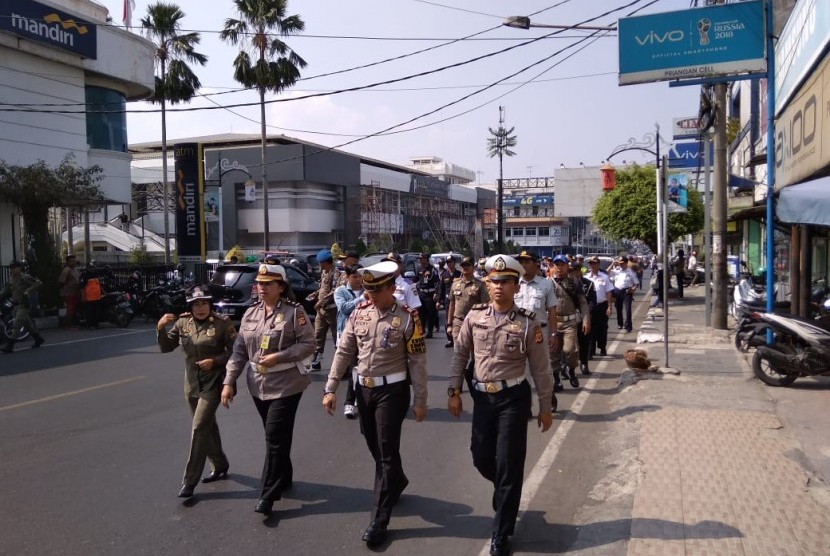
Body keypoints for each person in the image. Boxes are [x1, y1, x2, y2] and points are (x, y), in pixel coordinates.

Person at [447, 254, 553, 556]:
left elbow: (541, 368)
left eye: (506, 282)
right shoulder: (474, 317)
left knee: (508, 462)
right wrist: (454, 390)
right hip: (483, 397)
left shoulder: (527, 323)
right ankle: (506, 490)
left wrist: (545, 406)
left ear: (516, 286)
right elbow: (460, 356)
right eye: (494, 281)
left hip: (513, 399)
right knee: (481, 457)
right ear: (487, 283)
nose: (499, 287)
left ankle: (501, 532)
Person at [323, 261, 428, 548]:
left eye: (376, 290)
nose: (370, 294)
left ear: (392, 288)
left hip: (393, 391)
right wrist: (330, 387)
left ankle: (379, 520)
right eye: (367, 289)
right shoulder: (360, 313)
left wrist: (420, 399)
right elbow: (344, 350)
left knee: (384, 451)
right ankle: (397, 479)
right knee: (373, 443)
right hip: (363, 390)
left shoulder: (408, 318)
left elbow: (417, 362)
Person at [221, 264, 315, 515]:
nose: (261, 288)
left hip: (287, 383)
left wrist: (280, 356)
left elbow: (309, 344)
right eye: (260, 283)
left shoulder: (295, 313)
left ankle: (268, 495)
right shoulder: (250, 313)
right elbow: (239, 350)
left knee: (274, 437)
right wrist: (229, 381)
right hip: (258, 385)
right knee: (276, 435)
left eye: (268, 284)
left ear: (281, 287)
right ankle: (284, 476)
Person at [156, 286, 237, 498]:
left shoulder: (222, 323)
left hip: (214, 383)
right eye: (196, 304)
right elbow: (167, 347)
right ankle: (220, 464)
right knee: (207, 427)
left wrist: (216, 361)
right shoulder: (183, 323)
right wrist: (161, 328)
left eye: (204, 303)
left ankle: (189, 481)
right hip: (191, 385)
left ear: (210, 304)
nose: (200, 308)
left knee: (199, 427)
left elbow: (236, 351)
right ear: (190, 307)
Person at [514, 250, 560, 398]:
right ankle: (526, 403)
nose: (523, 265)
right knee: (520, 370)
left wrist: (554, 334)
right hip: (518, 332)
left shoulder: (545, 284)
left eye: (527, 262)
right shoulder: (513, 283)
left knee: (542, 369)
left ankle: (548, 395)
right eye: (521, 262)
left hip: (540, 332)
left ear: (536, 264)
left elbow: (552, 311)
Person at [446, 256, 490, 390]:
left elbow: (485, 305)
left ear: (473, 267)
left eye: (468, 265)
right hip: (458, 322)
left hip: (475, 323)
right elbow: (452, 305)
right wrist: (449, 324)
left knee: (475, 354)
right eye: (463, 265)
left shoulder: (480, 285)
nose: (465, 268)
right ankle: (457, 384)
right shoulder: (455, 284)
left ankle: (476, 378)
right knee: (458, 354)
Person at [549, 255, 590, 389]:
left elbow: (583, 302)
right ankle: (556, 380)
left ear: (567, 266)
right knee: (553, 354)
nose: (559, 267)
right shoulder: (547, 283)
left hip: (569, 322)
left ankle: (571, 370)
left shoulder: (574, 282)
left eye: (562, 264)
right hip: (553, 323)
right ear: (553, 267)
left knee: (570, 350)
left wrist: (586, 319)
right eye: (557, 265)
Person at [333, 264, 364, 419]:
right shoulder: (341, 291)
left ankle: (358, 396)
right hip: (348, 335)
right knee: (353, 369)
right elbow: (344, 308)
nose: (358, 279)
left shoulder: (367, 290)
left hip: (365, 335)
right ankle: (349, 402)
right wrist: (361, 299)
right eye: (354, 276)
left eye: (360, 276)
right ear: (347, 277)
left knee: (362, 368)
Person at [1, 261, 45, 353]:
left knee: (17, 324)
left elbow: (38, 283)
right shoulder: (11, 279)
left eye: (14, 267)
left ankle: (10, 345)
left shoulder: (25, 277)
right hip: (15, 306)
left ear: (19, 268)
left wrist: (28, 290)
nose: (12, 269)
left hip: (23, 305)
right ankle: (38, 339)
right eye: (11, 268)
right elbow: (5, 291)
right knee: (28, 325)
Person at [308, 249, 341, 371]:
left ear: (326, 262)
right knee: (317, 335)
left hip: (331, 310)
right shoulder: (323, 273)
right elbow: (322, 288)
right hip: (321, 311)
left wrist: (321, 302)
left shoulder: (336, 273)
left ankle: (340, 364)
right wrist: (315, 294)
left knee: (336, 337)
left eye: (321, 263)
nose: (319, 265)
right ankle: (316, 362)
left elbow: (335, 290)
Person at [570, 262, 596, 375]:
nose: (573, 272)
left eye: (575, 270)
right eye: (571, 270)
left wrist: (586, 314)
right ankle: (567, 366)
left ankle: (584, 363)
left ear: (580, 270)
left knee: (583, 341)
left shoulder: (588, 284)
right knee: (567, 345)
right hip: (568, 318)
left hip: (583, 317)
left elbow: (591, 301)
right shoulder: (564, 284)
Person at [585, 256, 614, 357]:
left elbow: (609, 292)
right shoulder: (586, 278)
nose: (592, 265)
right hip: (590, 306)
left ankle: (602, 347)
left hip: (602, 305)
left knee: (602, 328)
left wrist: (609, 306)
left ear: (598, 264)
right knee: (590, 328)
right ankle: (590, 350)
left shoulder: (604, 277)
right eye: (590, 263)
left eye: (594, 263)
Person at [609, 256, 639, 332]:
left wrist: (633, 289)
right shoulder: (617, 270)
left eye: (622, 263)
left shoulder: (631, 272)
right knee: (618, 308)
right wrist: (613, 264)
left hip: (627, 291)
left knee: (628, 309)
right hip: (617, 291)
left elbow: (636, 283)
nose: (621, 265)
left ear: (626, 263)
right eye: (620, 264)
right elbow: (607, 272)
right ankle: (620, 324)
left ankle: (628, 326)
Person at [415, 252, 440, 338]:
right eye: (419, 259)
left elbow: (437, 282)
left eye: (422, 259)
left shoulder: (433, 269)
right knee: (421, 314)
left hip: (430, 294)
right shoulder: (419, 269)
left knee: (430, 314)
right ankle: (422, 330)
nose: (420, 261)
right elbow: (415, 279)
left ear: (426, 259)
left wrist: (436, 293)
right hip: (421, 294)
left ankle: (430, 331)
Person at [58, 254, 81, 327]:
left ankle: (75, 322)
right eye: (71, 261)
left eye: (74, 261)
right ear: (67, 262)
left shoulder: (75, 270)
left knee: (75, 308)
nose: (73, 263)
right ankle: (69, 324)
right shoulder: (66, 270)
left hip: (76, 292)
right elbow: (61, 282)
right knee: (70, 308)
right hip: (69, 293)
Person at [80, 261, 103, 328]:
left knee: (97, 312)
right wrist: (83, 296)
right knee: (90, 312)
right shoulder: (84, 275)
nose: (92, 269)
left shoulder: (96, 274)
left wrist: (104, 292)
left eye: (93, 267)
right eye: (90, 267)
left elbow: (99, 285)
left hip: (97, 297)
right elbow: (82, 287)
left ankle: (96, 324)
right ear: (87, 268)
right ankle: (90, 324)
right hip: (89, 298)